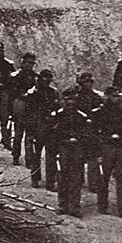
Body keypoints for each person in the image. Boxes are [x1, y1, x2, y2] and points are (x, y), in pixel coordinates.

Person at [49, 87, 95, 217]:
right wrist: (56, 150)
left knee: (76, 177)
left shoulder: (82, 115)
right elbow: (53, 133)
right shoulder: (58, 114)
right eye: (68, 99)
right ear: (63, 100)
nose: (70, 102)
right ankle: (62, 205)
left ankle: (74, 206)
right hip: (63, 148)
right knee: (62, 177)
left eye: (73, 100)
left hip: (77, 149)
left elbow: (86, 134)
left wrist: (78, 141)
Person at [93, 87, 122, 219]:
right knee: (103, 178)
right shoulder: (99, 113)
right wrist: (98, 151)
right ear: (107, 97)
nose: (116, 99)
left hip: (121, 147)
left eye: (118, 96)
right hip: (106, 147)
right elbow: (94, 134)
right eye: (114, 96)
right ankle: (102, 206)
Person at [21, 69, 60, 189]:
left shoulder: (53, 93)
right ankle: (35, 178)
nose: (47, 82)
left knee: (51, 156)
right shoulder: (32, 94)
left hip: (50, 129)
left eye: (49, 80)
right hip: (36, 128)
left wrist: (55, 123)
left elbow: (57, 109)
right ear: (39, 79)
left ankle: (50, 181)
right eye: (45, 80)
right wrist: (30, 132)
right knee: (35, 155)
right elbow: (27, 114)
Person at [70, 71, 106, 193]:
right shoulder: (75, 96)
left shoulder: (96, 96)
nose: (88, 84)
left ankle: (93, 184)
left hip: (93, 130)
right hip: (79, 129)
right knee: (78, 158)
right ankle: (78, 181)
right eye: (86, 82)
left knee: (93, 158)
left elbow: (101, 112)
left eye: (90, 82)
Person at [9, 52, 40, 166]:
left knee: (30, 135)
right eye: (28, 62)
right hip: (19, 106)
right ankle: (16, 156)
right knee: (18, 134)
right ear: (23, 62)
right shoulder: (16, 76)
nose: (30, 65)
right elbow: (12, 93)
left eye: (32, 63)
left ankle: (29, 158)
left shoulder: (36, 77)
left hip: (31, 107)